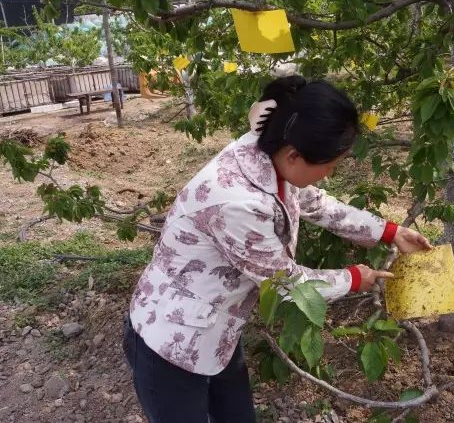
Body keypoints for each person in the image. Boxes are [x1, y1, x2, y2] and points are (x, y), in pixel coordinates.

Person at [122, 75, 431, 423]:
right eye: (329, 165)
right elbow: (286, 284)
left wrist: (389, 231)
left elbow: (316, 203)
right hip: (169, 344)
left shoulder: (274, 145)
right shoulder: (236, 202)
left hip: (215, 331)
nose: (329, 173)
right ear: (295, 155)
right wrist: (354, 279)